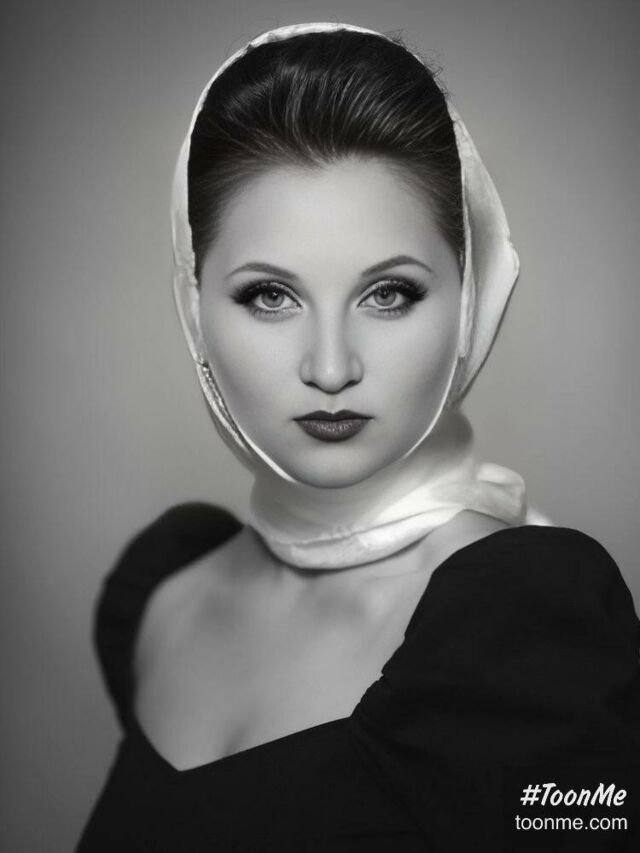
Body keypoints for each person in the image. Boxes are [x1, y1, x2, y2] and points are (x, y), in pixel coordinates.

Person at [77, 22, 640, 852]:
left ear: (470, 296)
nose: (332, 367)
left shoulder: (525, 631)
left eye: (389, 294)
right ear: (194, 307)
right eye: (270, 296)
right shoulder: (163, 594)